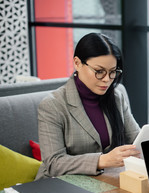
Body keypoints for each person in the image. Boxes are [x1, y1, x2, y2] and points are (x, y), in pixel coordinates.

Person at [35, 33, 140, 179]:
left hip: (105, 182)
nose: (106, 80)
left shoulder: (116, 97)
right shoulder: (53, 105)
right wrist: (102, 160)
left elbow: (136, 139)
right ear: (77, 63)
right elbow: (53, 164)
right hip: (61, 186)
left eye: (112, 72)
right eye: (99, 71)